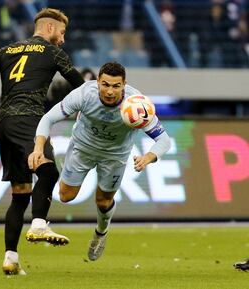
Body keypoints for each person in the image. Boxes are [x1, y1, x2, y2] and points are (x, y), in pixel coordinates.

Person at [0, 7, 84, 275]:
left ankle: (10, 258)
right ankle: (39, 223)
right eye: (61, 32)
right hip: (29, 119)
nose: (62, 39)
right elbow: (79, 85)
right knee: (48, 171)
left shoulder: (7, 50)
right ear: (48, 28)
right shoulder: (53, 52)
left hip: (3, 124)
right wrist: (89, 104)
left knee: (20, 193)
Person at [28, 62, 171, 261]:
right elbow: (48, 119)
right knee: (66, 196)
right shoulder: (84, 94)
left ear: (124, 85)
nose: (110, 91)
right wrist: (37, 148)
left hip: (115, 156)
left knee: (103, 201)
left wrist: (148, 157)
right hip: (82, 149)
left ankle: (101, 233)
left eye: (115, 86)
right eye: (105, 85)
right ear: (97, 82)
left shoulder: (137, 104)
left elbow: (164, 140)